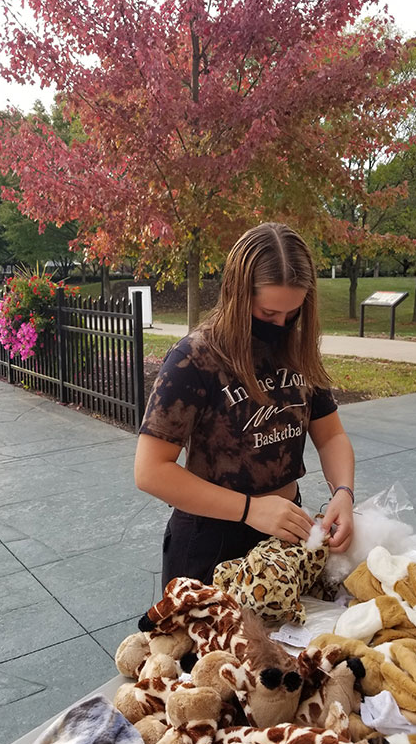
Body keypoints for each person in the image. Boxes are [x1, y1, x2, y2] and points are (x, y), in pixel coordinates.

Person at [135, 222, 355, 591]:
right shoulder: (194, 358)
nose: (281, 325)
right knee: (213, 648)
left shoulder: (296, 347)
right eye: (268, 314)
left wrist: (343, 494)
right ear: (238, 295)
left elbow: (330, 435)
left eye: (293, 314)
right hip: (213, 539)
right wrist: (251, 509)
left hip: (286, 532)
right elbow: (150, 470)